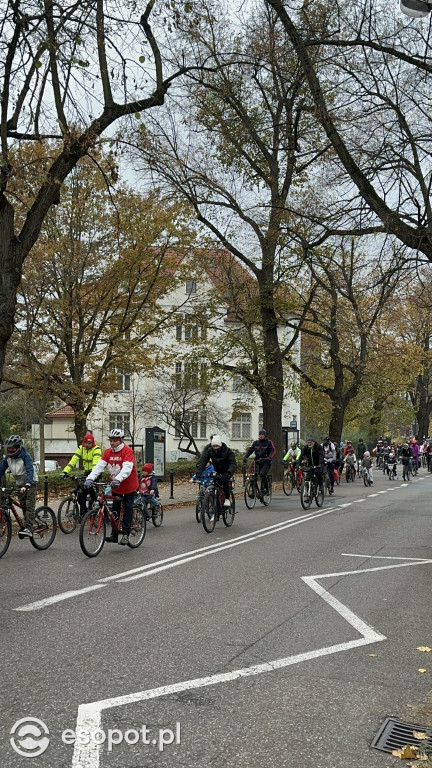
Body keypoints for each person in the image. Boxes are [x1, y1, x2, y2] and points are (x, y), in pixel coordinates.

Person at [84, 428, 138, 545]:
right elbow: (99, 466)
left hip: (128, 485)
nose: (112, 443)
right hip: (116, 486)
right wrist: (90, 478)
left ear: (121, 440)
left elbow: (127, 469)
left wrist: (118, 479)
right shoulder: (108, 452)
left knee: (128, 507)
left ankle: (126, 534)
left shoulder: (127, 451)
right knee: (115, 508)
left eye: (115, 441)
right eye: (111, 440)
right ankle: (114, 534)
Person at [0, 435, 38, 537]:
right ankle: (26, 526)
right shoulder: (8, 458)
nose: (10, 450)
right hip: (19, 484)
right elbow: (1, 469)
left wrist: (27, 484)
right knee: (23, 507)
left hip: (30, 483)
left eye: (12, 448)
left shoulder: (26, 456)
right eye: (8, 448)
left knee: (29, 506)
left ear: (17, 447)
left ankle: (29, 528)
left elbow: (30, 470)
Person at [60, 433, 102, 518]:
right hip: (87, 472)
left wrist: (92, 476)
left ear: (92, 443)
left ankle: (96, 498)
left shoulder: (96, 449)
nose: (87, 445)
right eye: (86, 443)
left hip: (96, 472)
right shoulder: (81, 448)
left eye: (89, 443)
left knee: (87, 485)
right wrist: (65, 472)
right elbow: (73, 461)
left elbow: (96, 464)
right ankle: (84, 510)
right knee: (80, 493)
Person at [196, 435, 236, 507]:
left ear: (220, 445)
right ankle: (216, 508)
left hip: (227, 470)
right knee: (215, 486)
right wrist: (198, 474)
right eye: (213, 446)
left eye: (217, 446)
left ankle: (227, 499)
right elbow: (203, 462)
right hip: (217, 470)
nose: (215, 448)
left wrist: (229, 472)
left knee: (225, 481)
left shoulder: (227, 451)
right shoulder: (209, 451)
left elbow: (232, 463)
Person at [243, 428, 276, 497]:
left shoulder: (269, 442)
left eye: (262, 434)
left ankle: (267, 489)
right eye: (260, 434)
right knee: (253, 476)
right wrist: (246, 457)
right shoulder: (256, 443)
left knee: (262, 474)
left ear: (265, 435)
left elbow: (273, 451)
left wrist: (269, 458)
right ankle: (254, 491)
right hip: (257, 461)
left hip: (266, 461)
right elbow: (250, 450)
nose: (261, 436)